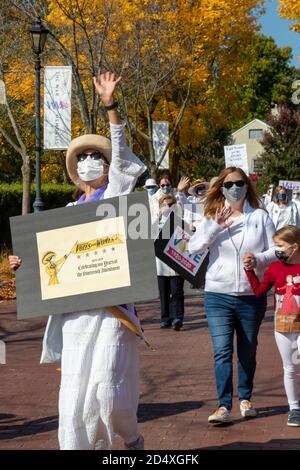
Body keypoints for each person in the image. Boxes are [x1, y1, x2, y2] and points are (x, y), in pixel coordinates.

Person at [9, 71, 147, 450]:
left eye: (95, 156)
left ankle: (132, 437)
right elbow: (48, 264)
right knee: (74, 402)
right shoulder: (68, 211)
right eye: (83, 156)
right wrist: (25, 267)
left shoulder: (115, 195)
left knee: (109, 394)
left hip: (112, 311)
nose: (89, 161)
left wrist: (111, 106)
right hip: (75, 316)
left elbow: (121, 155)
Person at [188, 166, 276, 423]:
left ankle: (246, 399)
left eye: (239, 183)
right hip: (218, 295)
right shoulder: (212, 216)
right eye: (228, 184)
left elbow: (275, 251)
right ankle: (224, 405)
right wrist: (214, 227)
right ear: (221, 188)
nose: (234, 188)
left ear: (247, 185)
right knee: (222, 351)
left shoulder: (260, 216)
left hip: (251, 296)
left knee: (248, 351)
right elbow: (193, 247)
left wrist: (258, 258)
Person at [244, 225, 300, 426]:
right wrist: (249, 271)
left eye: (280, 245)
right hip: (283, 326)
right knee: (290, 368)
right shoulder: (274, 268)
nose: (276, 249)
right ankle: (294, 408)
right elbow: (259, 291)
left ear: (294, 247)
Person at [154, 193, 185, 330]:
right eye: (165, 204)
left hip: (177, 261)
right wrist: (158, 217)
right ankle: (165, 318)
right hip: (161, 264)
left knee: (177, 291)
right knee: (164, 292)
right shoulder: (155, 222)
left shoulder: (181, 220)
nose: (167, 207)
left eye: (170, 204)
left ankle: (177, 317)